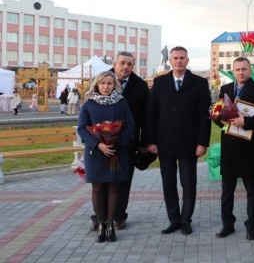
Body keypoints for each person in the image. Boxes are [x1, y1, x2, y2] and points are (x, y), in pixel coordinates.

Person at [146, 46, 211, 236]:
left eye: (182, 58)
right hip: (164, 142)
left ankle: (185, 220)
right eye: (175, 58)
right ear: (170, 61)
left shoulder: (199, 83)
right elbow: (151, 114)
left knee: (188, 183)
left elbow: (203, 115)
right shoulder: (160, 82)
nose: (178, 61)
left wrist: (202, 142)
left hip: (189, 143)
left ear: (187, 61)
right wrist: (150, 141)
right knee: (168, 183)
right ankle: (173, 219)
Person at [89, 52, 150, 232]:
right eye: (122, 63)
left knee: (122, 181)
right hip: (101, 143)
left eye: (130, 64)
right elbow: (89, 110)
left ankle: (119, 216)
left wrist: (144, 142)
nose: (126, 67)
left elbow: (145, 116)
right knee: (100, 182)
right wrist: (95, 140)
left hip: (126, 143)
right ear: (114, 64)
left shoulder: (140, 85)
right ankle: (99, 217)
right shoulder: (101, 79)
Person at [77, 71, 136, 243]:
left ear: (114, 85)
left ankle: (110, 224)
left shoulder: (121, 102)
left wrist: (118, 142)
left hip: (116, 150)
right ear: (97, 84)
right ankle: (101, 223)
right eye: (103, 83)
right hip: (96, 152)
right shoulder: (89, 104)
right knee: (97, 188)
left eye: (109, 83)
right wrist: (99, 144)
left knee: (114, 187)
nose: (106, 86)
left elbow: (131, 124)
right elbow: (82, 129)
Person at [213, 57, 254, 240]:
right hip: (229, 146)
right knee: (226, 189)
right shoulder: (226, 89)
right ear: (233, 71)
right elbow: (218, 113)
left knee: (252, 189)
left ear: (250, 70)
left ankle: (251, 225)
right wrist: (218, 118)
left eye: (244, 69)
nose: (240, 72)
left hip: (249, 147)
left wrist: (247, 121)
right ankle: (227, 224)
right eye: (237, 70)